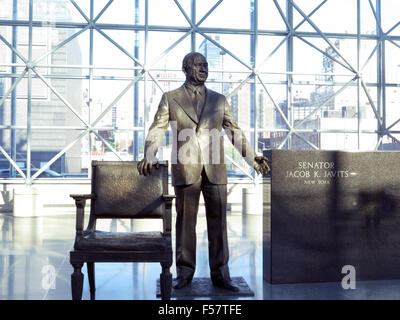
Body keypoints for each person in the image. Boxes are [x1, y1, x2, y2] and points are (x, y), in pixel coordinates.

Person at [137, 52, 269, 291]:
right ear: (186, 68)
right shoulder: (171, 98)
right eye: (199, 65)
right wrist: (149, 153)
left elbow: (234, 132)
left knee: (219, 223)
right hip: (185, 168)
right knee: (185, 223)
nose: (204, 68)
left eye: (206, 65)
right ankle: (184, 273)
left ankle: (221, 274)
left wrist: (252, 157)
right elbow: (157, 129)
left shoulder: (220, 100)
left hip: (215, 169)